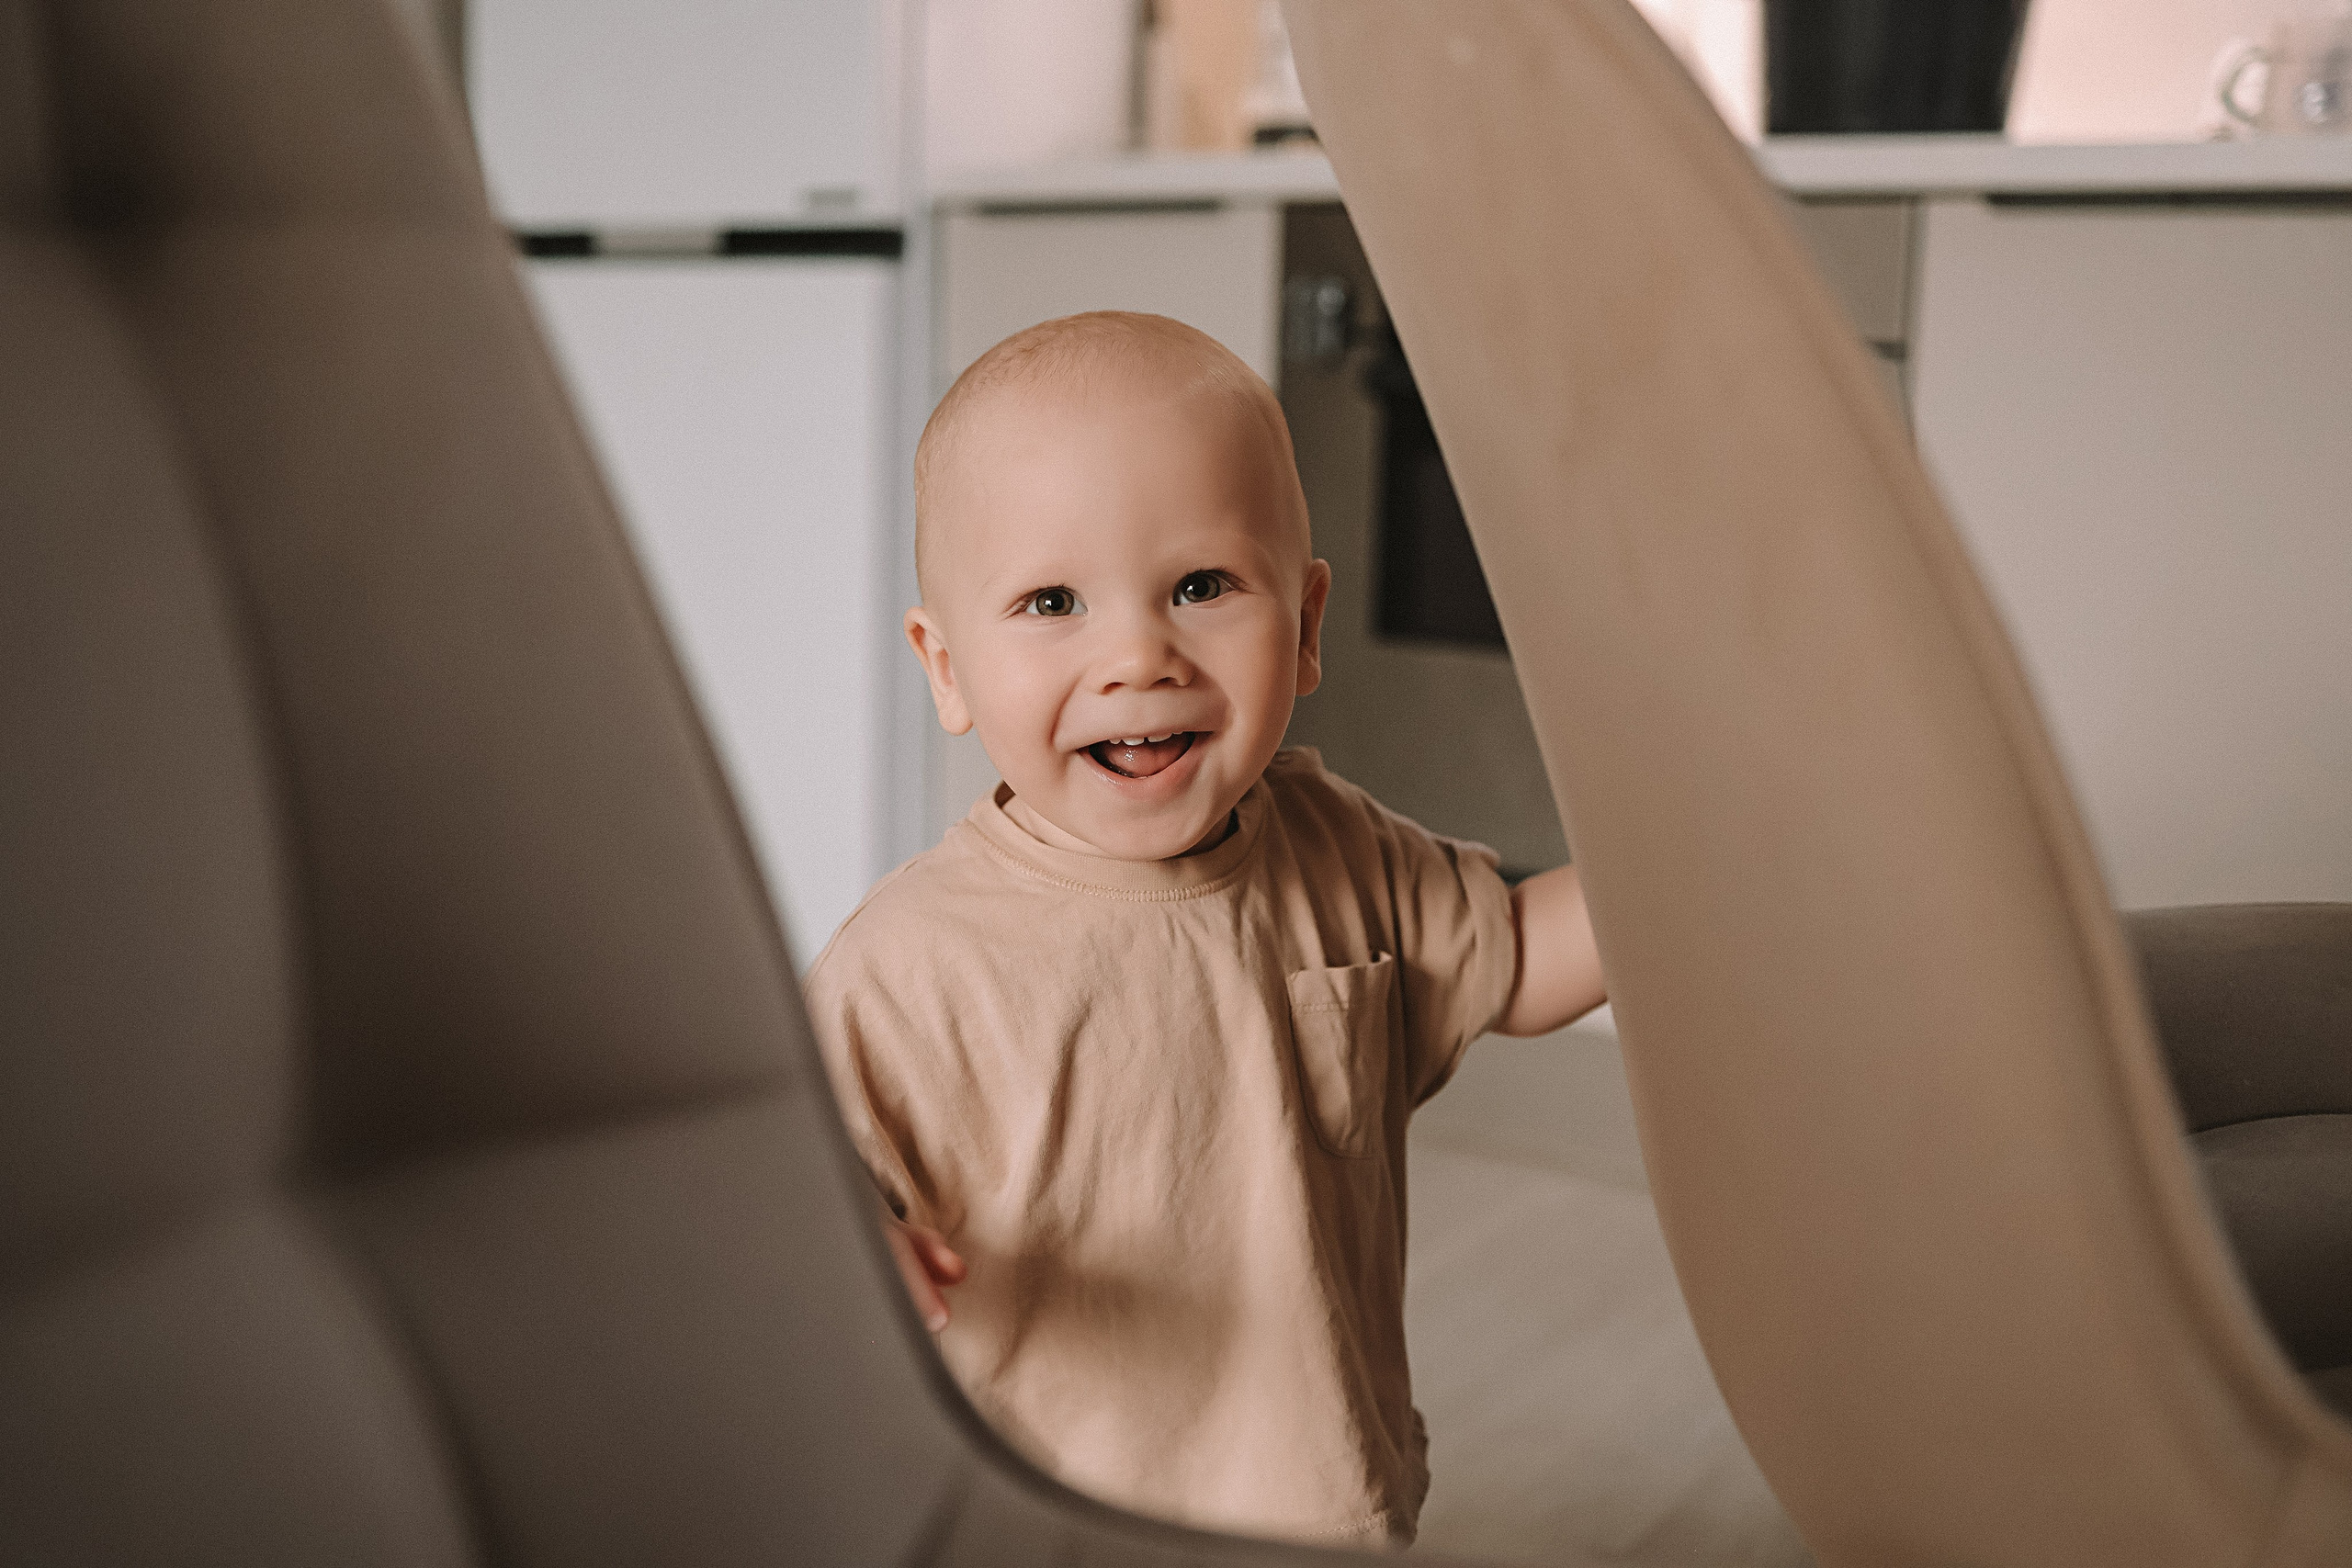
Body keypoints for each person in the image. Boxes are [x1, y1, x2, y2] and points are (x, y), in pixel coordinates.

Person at [804, 310, 1605, 1549]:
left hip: (1321, 1504)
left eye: (1203, 585)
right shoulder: (912, 964)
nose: (1138, 652)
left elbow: (1515, 954)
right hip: (1054, 1521)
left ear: (1306, 623)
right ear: (946, 664)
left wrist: (1686, 873)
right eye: (1053, 600)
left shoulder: (1338, 850)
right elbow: (789, 1185)